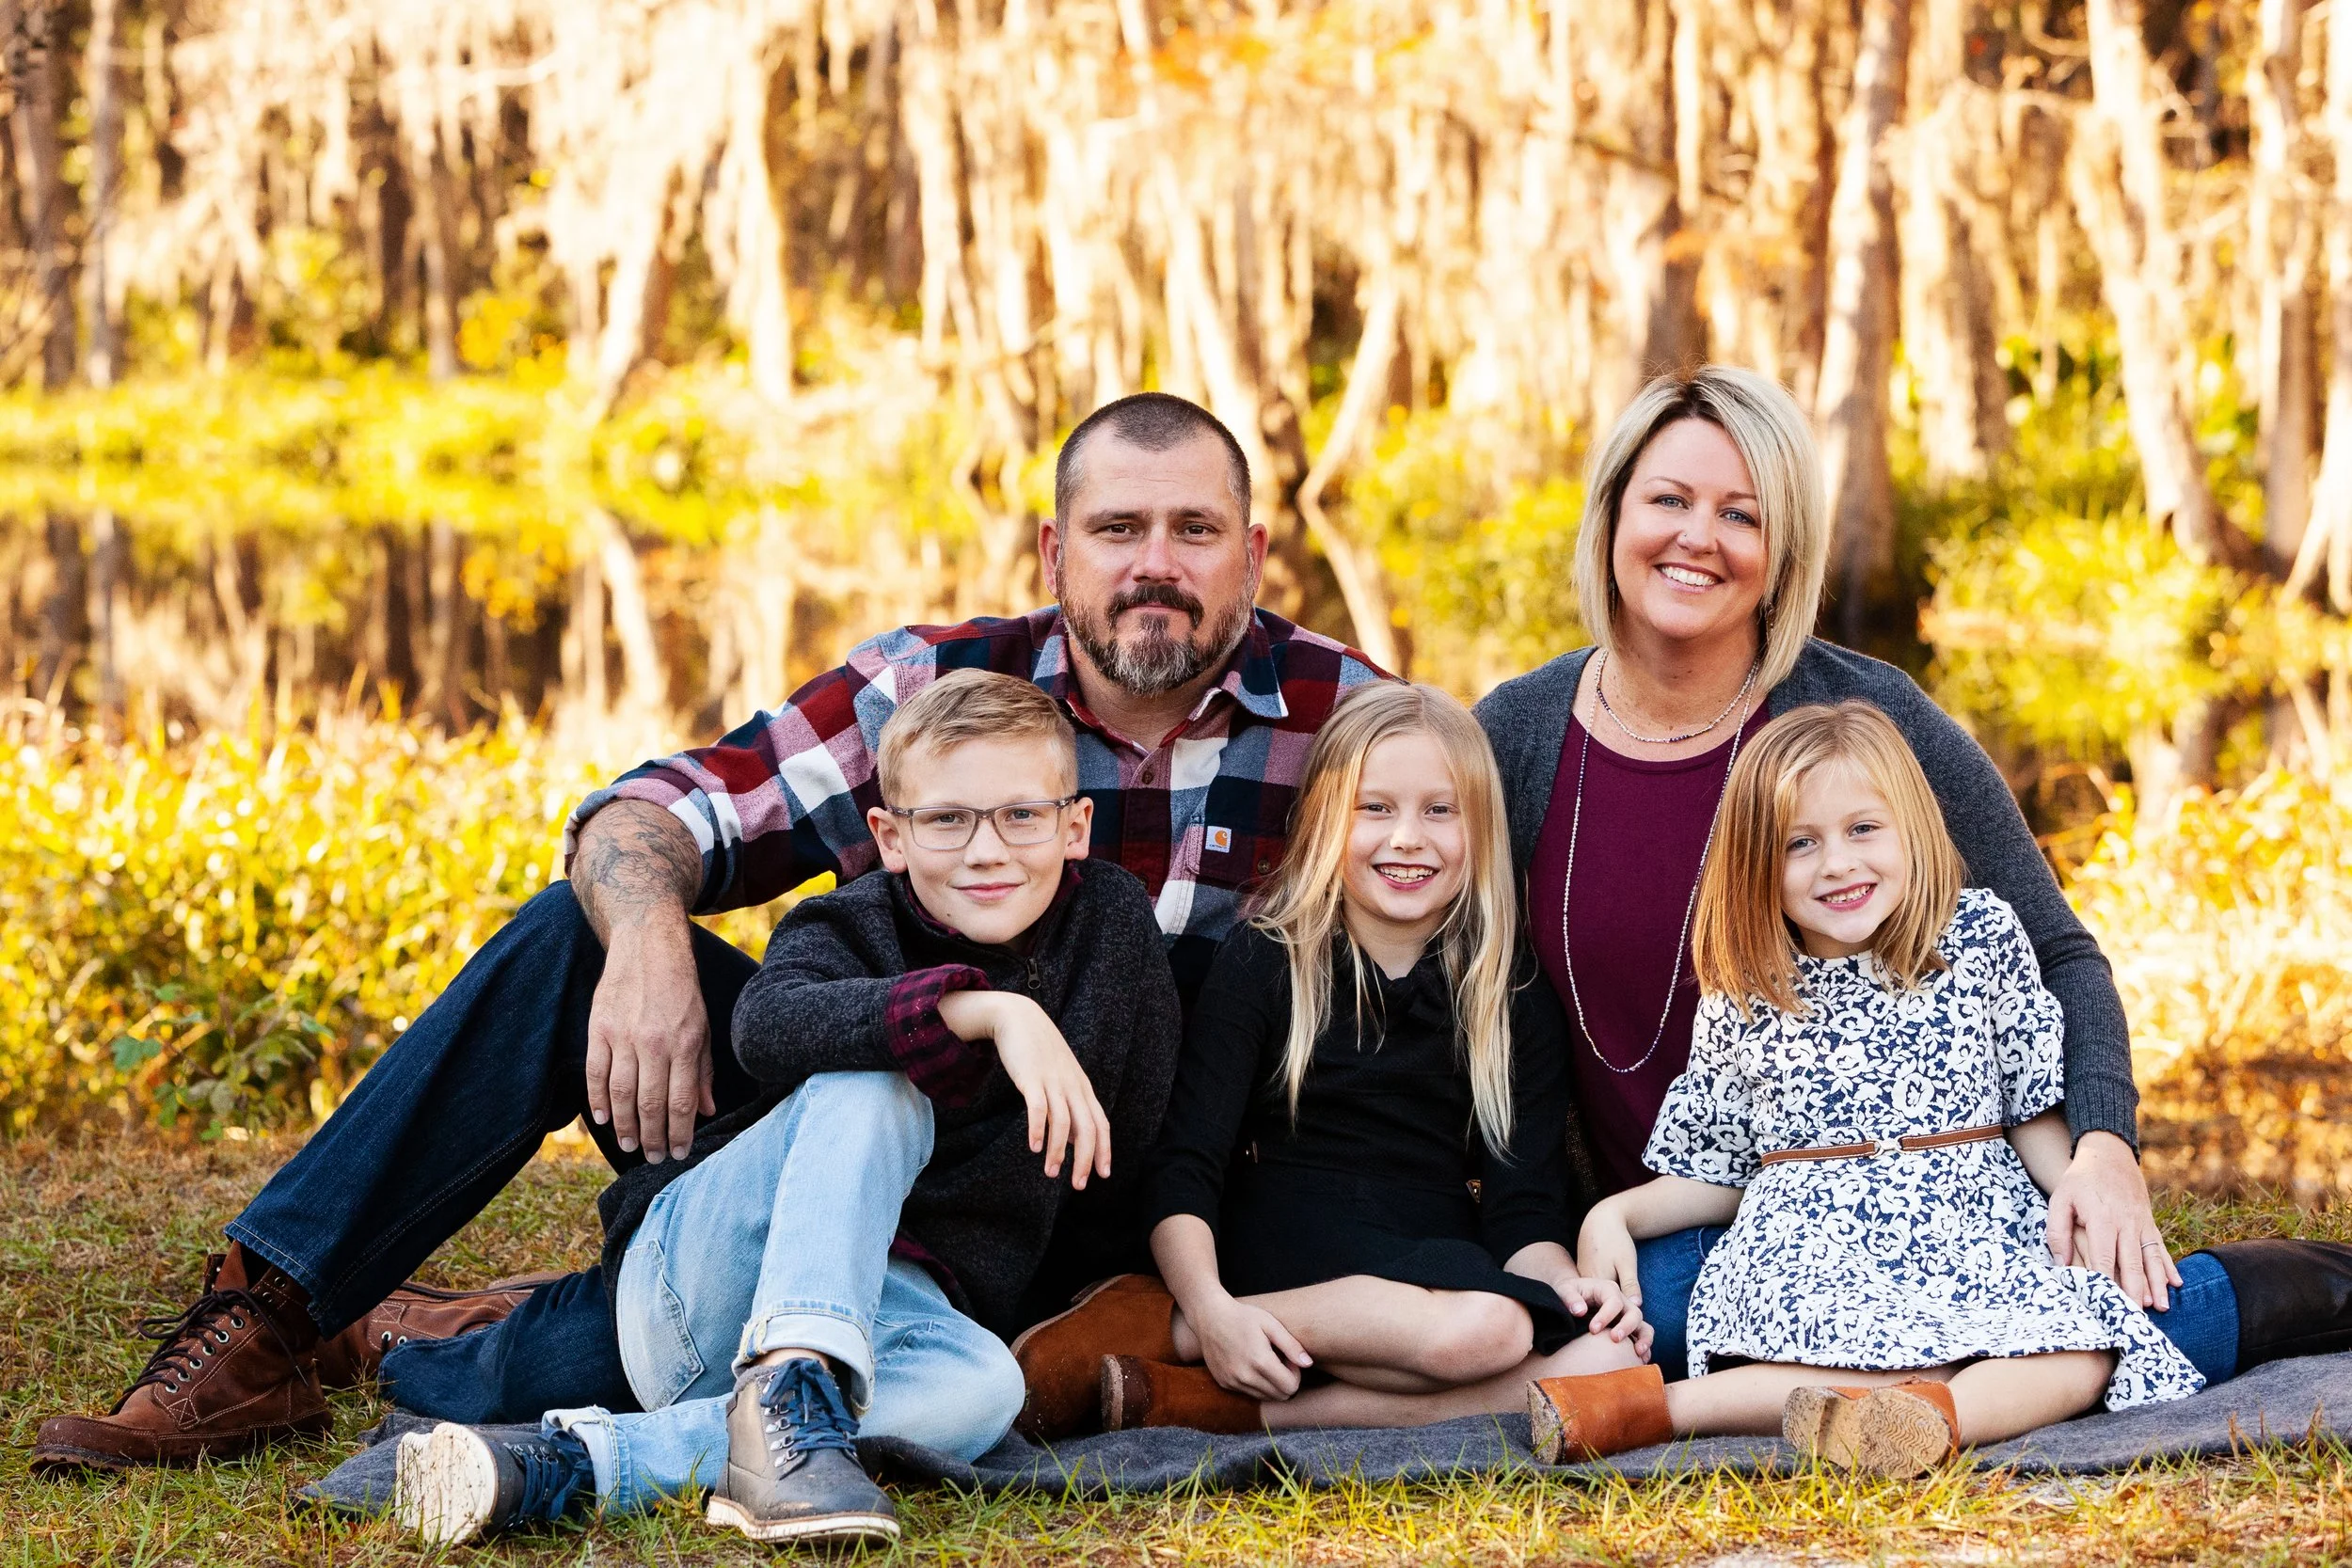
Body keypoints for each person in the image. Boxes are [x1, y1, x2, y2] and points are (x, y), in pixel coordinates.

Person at [32, 390, 1383, 1473]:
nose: (1157, 564)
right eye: (1119, 528)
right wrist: (646, 936)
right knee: (579, 930)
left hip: (1093, 1214)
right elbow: (661, 808)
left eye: (1196, 531)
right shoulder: (930, 687)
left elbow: (1471, 919)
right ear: (1053, 550)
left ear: (1255, 554)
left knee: (618, 1350)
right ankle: (266, 1310)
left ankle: (497, 1358)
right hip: (833, 1132)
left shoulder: (1348, 721)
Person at [1472, 365, 2352, 1399]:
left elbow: (2059, 951)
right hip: (1713, 1226)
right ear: (1612, 510)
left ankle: (2253, 1297)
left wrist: (2103, 1147)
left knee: (2091, 1296)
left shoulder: (1868, 719)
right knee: (1638, 1319)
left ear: (1783, 547)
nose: (1695, 537)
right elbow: (1467, 1009)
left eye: (1739, 513)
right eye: (1666, 498)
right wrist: (1539, 1226)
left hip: (1932, 1197)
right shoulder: (1517, 737)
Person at [392, 671, 1182, 1546]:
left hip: (890, 1312)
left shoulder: (1113, 932)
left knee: (984, 1388)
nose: (987, 850)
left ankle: (582, 1463)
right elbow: (765, 1025)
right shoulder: (843, 925)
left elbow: (1120, 1149)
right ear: (889, 836)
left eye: (1021, 815)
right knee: (875, 1077)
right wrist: (988, 1009)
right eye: (947, 819)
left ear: (1075, 826)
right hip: (714, 1279)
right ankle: (790, 1376)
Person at [1525, 703, 2202, 1476]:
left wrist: (2082, 1191)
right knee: (1873, 1352)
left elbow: (2027, 1111)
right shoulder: (1750, 991)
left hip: (1969, 1236)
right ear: (1756, 866)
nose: (1838, 863)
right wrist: (1616, 1212)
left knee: (2086, 1343)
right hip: (1815, 1253)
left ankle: (1916, 1423)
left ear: (1911, 826)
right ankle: (1650, 1407)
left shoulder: (1977, 937)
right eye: (1799, 844)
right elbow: (1723, 1172)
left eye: (1863, 829)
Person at [1080, 682, 1644, 1434]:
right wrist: (1210, 1306)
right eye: (1375, 808)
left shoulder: (1509, 991)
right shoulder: (1267, 959)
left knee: (1613, 1362)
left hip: (1434, 1257)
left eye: (1439, 811)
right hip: (1287, 1238)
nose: (1407, 837)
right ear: (1323, 821)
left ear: (1480, 828)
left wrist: (1571, 1287)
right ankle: (1177, 1330)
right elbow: (1185, 1165)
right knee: (1492, 1332)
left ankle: (1236, 1409)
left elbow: (1523, 1213)